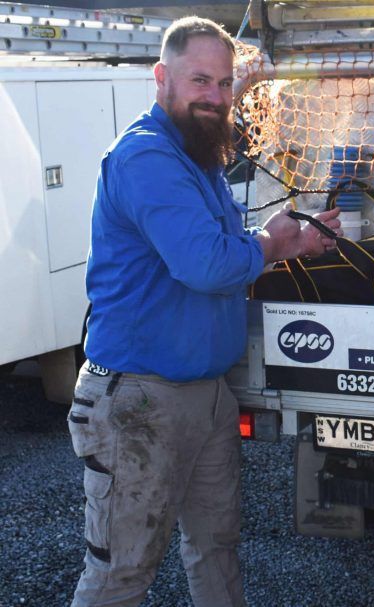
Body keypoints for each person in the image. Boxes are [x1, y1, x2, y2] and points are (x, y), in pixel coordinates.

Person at [66, 17, 340, 607]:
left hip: (207, 395)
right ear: (161, 78)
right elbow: (208, 266)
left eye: (222, 84)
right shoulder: (147, 158)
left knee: (215, 548)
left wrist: (286, 243)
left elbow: (221, 255)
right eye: (199, 81)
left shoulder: (200, 158)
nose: (214, 98)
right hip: (140, 398)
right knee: (122, 573)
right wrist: (268, 242)